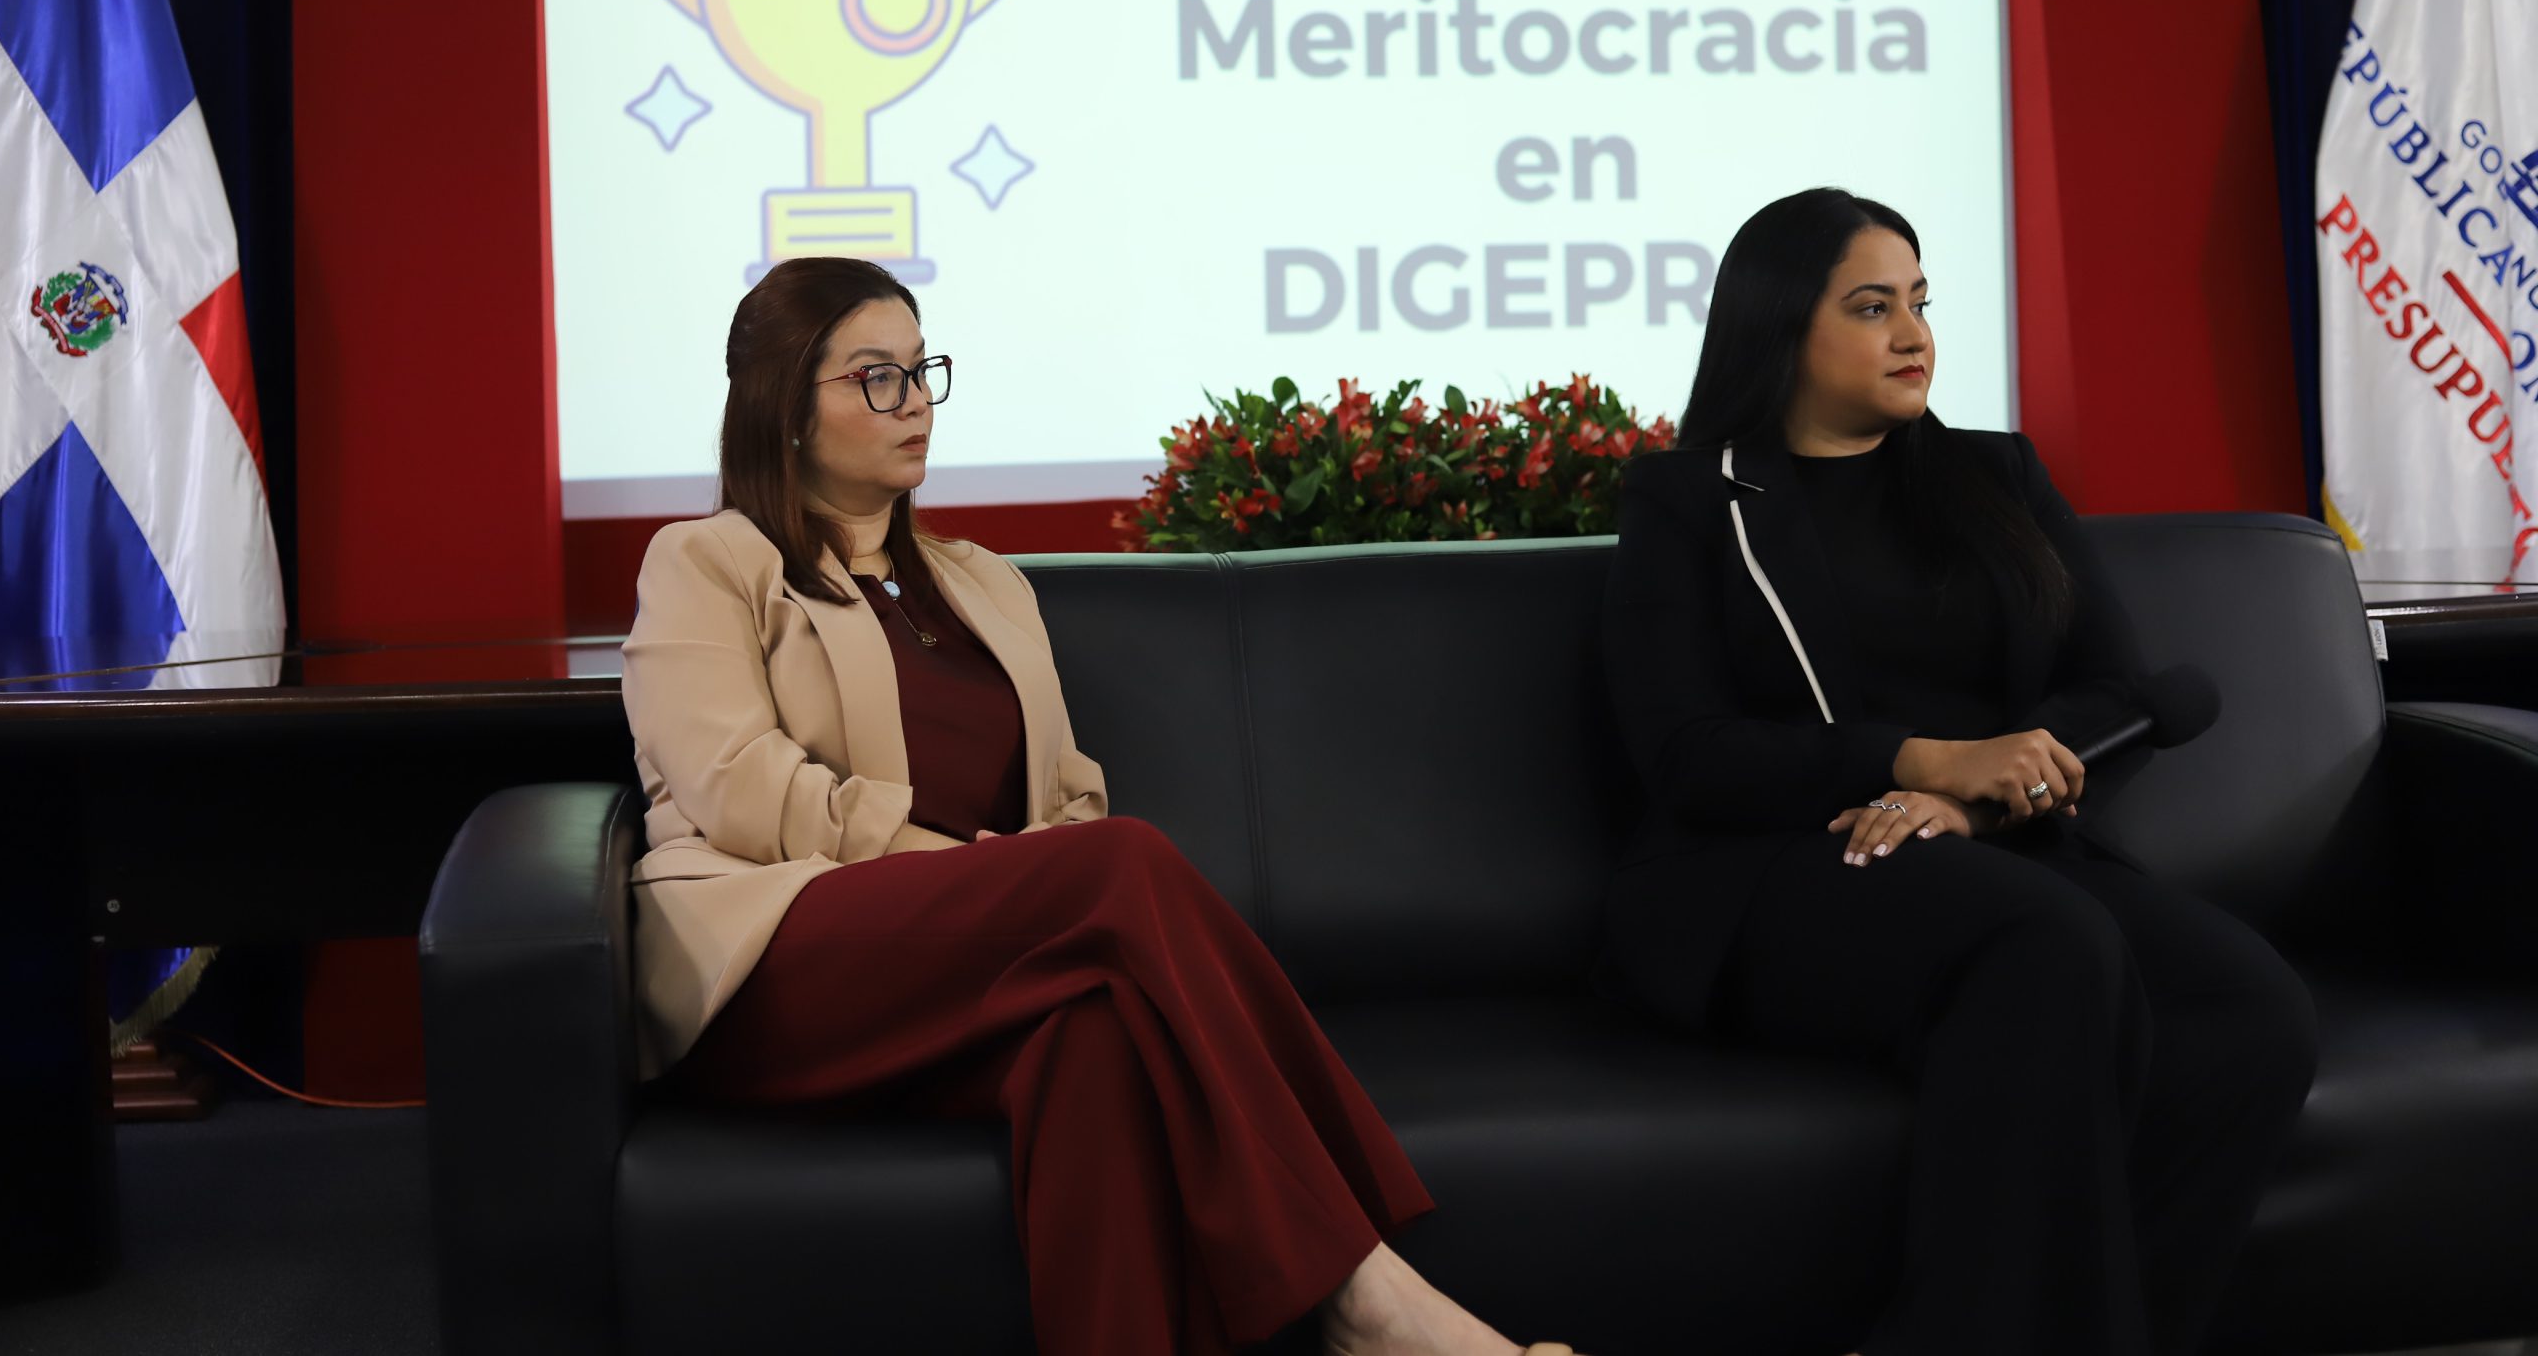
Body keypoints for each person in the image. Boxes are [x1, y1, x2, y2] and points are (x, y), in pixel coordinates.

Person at [622, 258, 1580, 1356]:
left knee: (1092, 1044)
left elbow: (1068, 792)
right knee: (1118, 863)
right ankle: (1368, 1296)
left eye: (923, 370)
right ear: (785, 407)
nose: (916, 400)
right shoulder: (707, 560)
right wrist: (959, 866)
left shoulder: (984, 581)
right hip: (777, 962)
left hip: (972, 970)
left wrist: (1020, 872)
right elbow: (736, 785)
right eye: (876, 377)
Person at [1598, 188, 2317, 1356]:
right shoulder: (1690, 498)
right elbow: (1687, 754)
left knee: (2251, 1010)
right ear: (1780, 324)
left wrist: (1969, 799)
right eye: (1870, 306)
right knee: (2048, 941)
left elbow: (2114, 685)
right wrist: (1918, 757)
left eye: (1919, 302)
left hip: (1990, 847)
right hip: (1783, 861)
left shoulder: (1996, 474)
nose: (1912, 333)